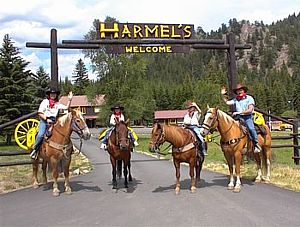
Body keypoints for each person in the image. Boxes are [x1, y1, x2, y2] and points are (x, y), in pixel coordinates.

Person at [30, 88, 73, 159]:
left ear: (56, 95)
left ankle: (67, 148)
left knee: (63, 133)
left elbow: (66, 108)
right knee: (40, 134)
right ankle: (35, 149)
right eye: (51, 94)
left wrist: (69, 100)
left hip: (54, 121)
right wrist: (46, 119)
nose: (53, 95)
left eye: (54, 94)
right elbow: (40, 113)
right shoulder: (45, 102)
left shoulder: (57, 103)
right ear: (49, 95)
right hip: (44, 120)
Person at [221, 83, 261, 153]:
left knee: (251, 129)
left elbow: (250, 109)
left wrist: (239, 112)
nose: (239, 92)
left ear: (244, 91)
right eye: (238, 91)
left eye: (241, 90)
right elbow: (227, 102)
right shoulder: (235, 100)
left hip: (247, 117)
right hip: (238, 118)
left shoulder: (249, 98)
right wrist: (223, 95)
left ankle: (256, 144)